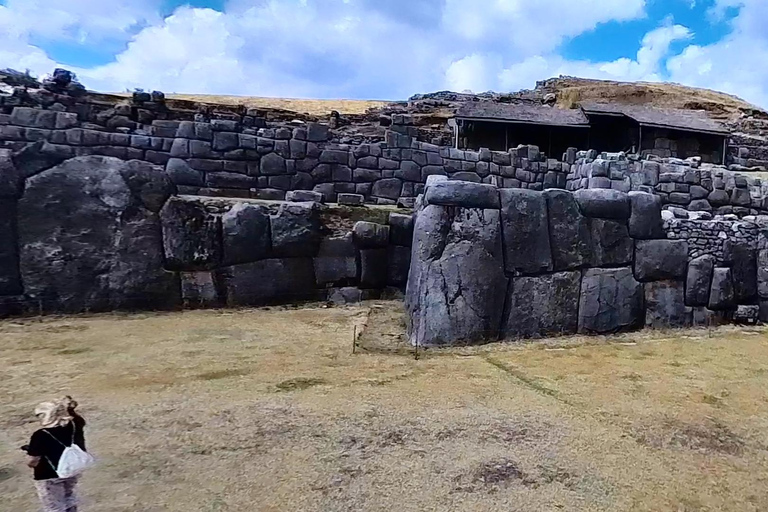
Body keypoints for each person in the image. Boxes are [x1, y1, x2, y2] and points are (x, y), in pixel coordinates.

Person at [24, 396, 87, 512]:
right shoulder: (75, 424)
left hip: (48, 475)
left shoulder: (40, 435)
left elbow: (33, 461)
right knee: (69, 500)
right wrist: (70, 409)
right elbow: (76, 419)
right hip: (71, 470)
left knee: (54, 507)